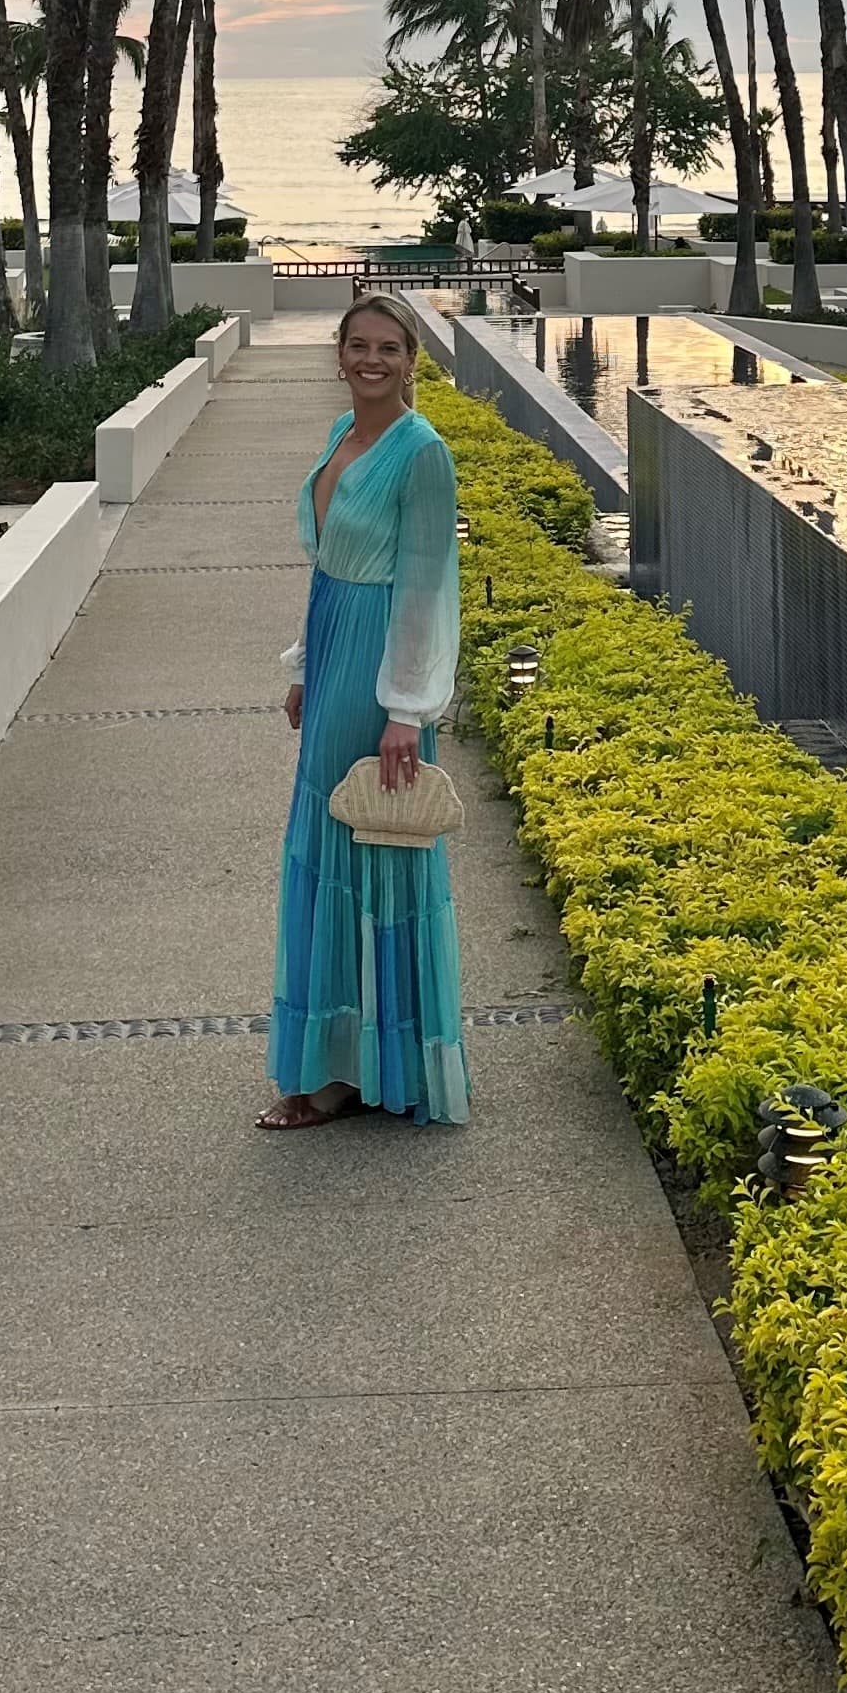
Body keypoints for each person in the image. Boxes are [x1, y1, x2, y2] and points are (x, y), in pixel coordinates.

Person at [260, 297, 471, 1130]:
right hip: (337, 653)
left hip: (384, 670)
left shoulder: (423, 453)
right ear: (338, 354)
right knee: (328, 849)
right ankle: (340, 1059)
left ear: (412, 359)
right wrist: (307, 668)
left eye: (388, 348)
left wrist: (405, 711)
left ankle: (366, 1069)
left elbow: (425, 586)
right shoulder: (343, 438)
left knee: (376, 850)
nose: (371, 359)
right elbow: (329, 572)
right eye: (358, 346)